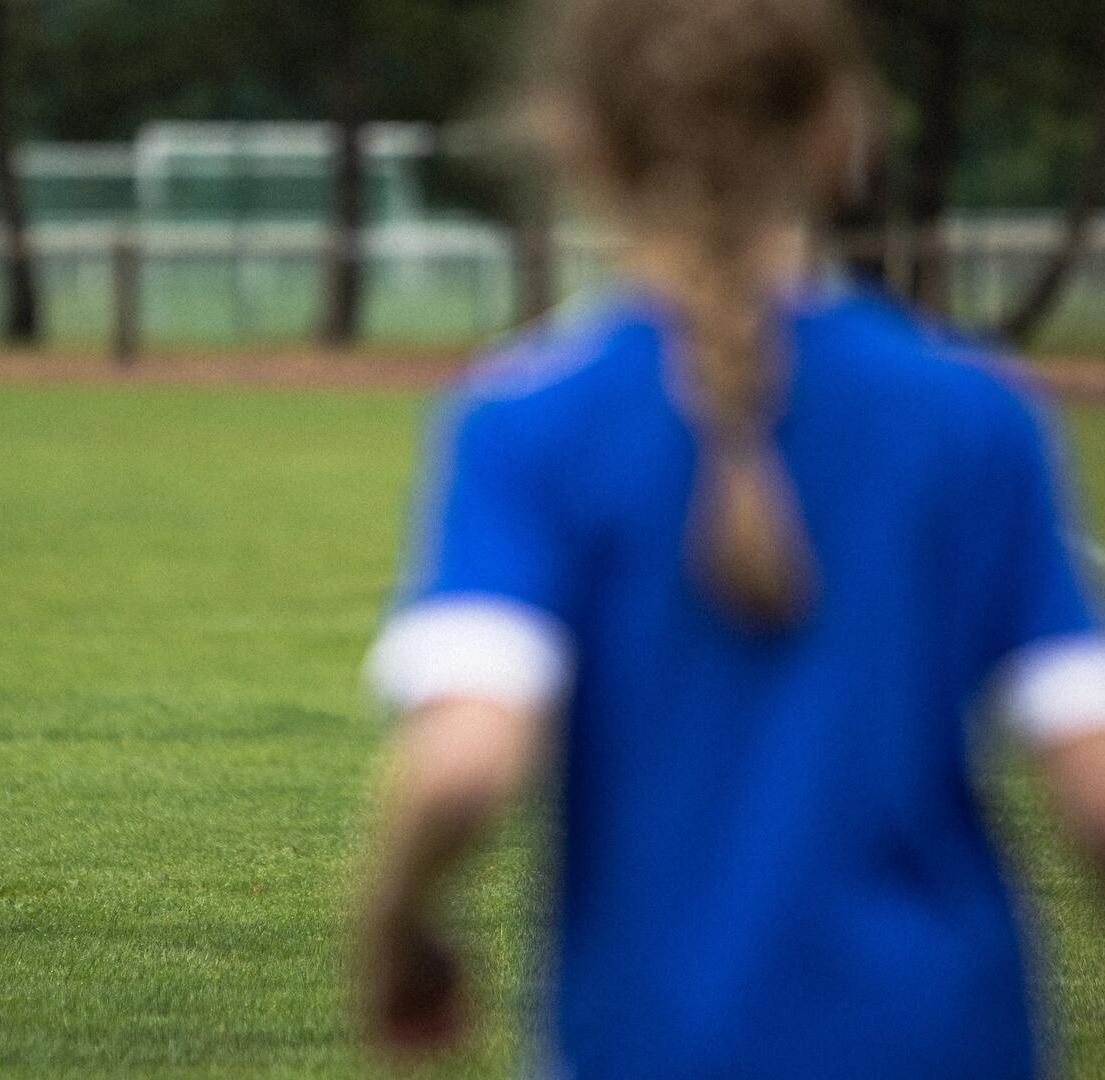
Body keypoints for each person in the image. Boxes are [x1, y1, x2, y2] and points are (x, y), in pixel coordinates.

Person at [356, 0, 1105, 1075]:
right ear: (843, 131)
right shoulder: (974, 416)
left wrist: (397, 931)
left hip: (651, 1042)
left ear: (579, 142)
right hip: (948, 1038)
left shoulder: (528, 425)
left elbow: (465, 763)